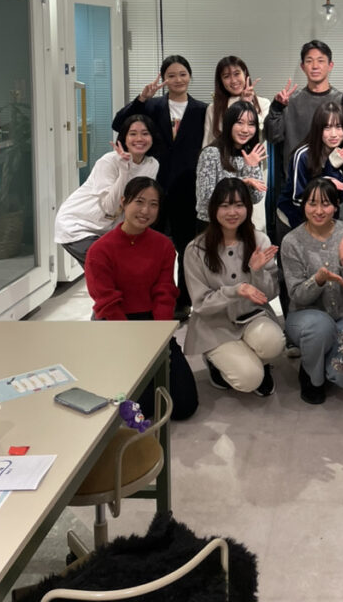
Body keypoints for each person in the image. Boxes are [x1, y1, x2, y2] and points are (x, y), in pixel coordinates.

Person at [85, 177, 198, 421]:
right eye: (139, 201)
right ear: (123, 202)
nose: (145, 210)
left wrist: (158, 338)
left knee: (185, 405)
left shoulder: (163, 246)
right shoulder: (100, 250)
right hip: (115, 323)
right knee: (139, 407)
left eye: (153, 204)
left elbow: (165, 292)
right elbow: (106, 302)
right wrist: (132, 344)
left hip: (152, 321)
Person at [112, 54, 207, 318]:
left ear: (190, 76)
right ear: (164, 79)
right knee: (147, 245)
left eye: (182, 74)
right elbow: (119, 125)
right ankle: (146, 297)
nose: (178, 80)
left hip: (187, 188)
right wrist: (141, 99)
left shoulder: (202, 110)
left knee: (186, 248)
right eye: (171, 75)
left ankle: (183, 301)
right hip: (152, 186)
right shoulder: (152, 106)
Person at [184, 178, 284, 398]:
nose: (232, 212)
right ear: (214, 209)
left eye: (239, 205)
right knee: (249, 379)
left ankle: (259, 360)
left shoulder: (259, 240)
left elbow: (271, 293)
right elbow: (200, 304)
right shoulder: (196, 249)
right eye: (225, 206)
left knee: (274, 343)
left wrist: (257, 271)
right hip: (215, 324)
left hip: (252, 316)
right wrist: (236, 290)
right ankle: (215, 361)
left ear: (247, 207)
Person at [281, 178, 343, 405]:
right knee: (320, 327)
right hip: (305, 318)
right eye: (312, 203)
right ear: (303, 205)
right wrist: (318, 280)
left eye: (326, 203)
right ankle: (312, 376)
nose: (319, 211)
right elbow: (297, 295)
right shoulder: (291, 241)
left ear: (336, 205)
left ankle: (324, 359)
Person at [54, 114, 158, 265]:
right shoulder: (109, 161)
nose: (139, 139)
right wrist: (124, 171)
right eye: (133, 134)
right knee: (111, 267)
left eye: (145, 133)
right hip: (79, 226)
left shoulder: (152, 164)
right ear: (124, 138)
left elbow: (138, 202)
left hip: (106, 229)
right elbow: (111, 207)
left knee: (116, 269)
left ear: (152, 137)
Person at [203, 55, 271, 231]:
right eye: (226, 76)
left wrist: (248, 105)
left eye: (237, 73)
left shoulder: (263, 103)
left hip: (254, 166)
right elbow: (208, 143)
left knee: (254, 222)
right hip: (223, 170)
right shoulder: (214, 108)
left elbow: (263, 134)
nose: (233, 80)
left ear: (245, 74)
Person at [276, 101, 343, 233]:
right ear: (318, 129)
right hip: (293, 217)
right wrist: (328, 180)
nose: (333, 134)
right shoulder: (303, 155)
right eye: (327, 127)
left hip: (326, 220)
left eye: (339, 127)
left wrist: (332, 169)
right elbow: (298, 198)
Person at [264, 40, 342, 169]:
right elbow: (273, 137)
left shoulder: (340, 101)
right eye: (309, 61)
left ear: (330, 65)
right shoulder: (290, 101)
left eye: (320, 61)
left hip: (332, 175)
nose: (315, 66)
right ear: (302, 66)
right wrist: (277, 108)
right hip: (296, 175)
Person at [195, 101, 266, 223]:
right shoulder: (211, 153)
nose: (245, 130)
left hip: (238, 223)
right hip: (212, 224)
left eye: (251, 124)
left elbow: (256, 198)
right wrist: (243, 181)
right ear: (229, 123)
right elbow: (206, 198)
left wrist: (251, 168)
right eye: (239, 123)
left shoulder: (250, 154)